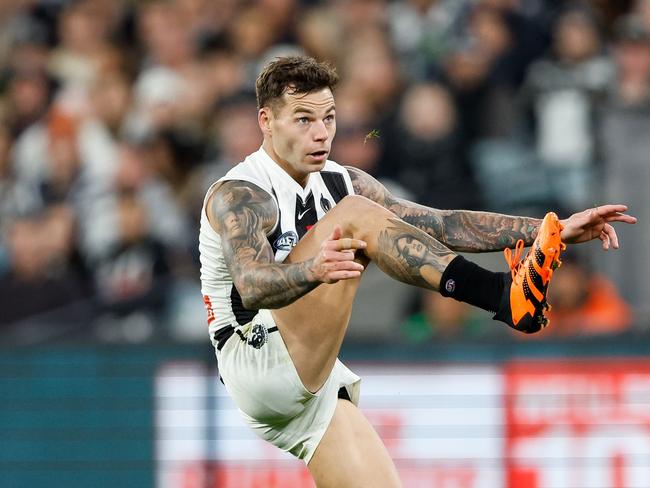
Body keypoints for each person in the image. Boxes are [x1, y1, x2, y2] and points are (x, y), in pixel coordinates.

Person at [198, 55, 636, 487]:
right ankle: (501, 295)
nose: (321, 133)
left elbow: (441, 225)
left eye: (329, 118)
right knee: (354, 215)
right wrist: (313, 269)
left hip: (310, 383)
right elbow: (251, 286)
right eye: (303, 120)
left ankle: (506, 295)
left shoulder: (341, 180)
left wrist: (551, 230)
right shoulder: (241, 193)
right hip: (255, 355)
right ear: (266, 121)